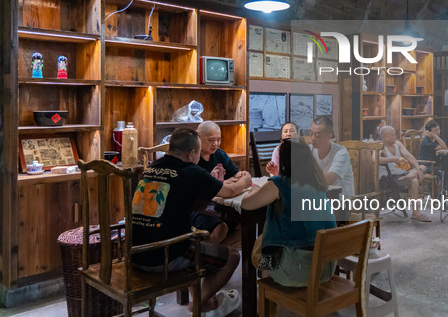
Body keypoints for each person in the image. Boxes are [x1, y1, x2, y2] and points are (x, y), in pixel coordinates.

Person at [132, 128, 246, 314]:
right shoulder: (190, 171)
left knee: (209, 244)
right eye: (198, 152)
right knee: (232, 256)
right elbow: (231, 192)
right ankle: (199, 304)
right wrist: (246, 181)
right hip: (166, 255)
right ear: (192, 153)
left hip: (134, 252)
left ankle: (207, 300)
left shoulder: (152, 168)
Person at [241, 139, 337, 287]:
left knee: (263, 244)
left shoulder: (279, 183)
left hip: (299, 272)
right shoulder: (317, 181)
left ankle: (268, 297)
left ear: (284, 160)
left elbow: (246, 204)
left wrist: (254, 190)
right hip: (327, 268)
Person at [194, 121, 252, 243]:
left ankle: (218, 256)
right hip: (197, 206)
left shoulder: (219, 154)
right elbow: (225, 189)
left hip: (217, 204)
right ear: (198, 137)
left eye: (218, 139)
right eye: (211, 140)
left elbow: (233, 172)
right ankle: (201, 257)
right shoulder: (192, 157)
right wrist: (225, 182)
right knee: (221, 228)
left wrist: (241, 175)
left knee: (245, 224)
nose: (215, 144)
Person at [378, 126, 431, 222]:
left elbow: (409, 156)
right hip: (389, 178)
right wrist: (394, 159)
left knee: (423, 167)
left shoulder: (398, 144)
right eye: (393, 134)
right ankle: (416, 212)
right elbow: (375, 159)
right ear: (385, 137)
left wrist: (418, 169)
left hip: (402, 175)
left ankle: (415, 212)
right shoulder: (380, 147)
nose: (396, 136)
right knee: (414, 180)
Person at [309, 116, 354, 196]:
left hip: (340, 202)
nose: (313, 138)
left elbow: (329, 179)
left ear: (329, 136)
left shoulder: (341, 152)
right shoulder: (309, 150)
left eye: (317, 135)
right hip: (319, 197)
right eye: (311, 134)